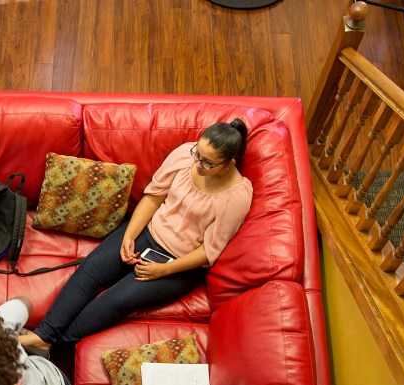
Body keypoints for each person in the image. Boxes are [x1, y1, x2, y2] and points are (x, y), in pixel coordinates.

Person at [17, 119, 252, 354]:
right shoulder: (184, 156)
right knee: (91, 269)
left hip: (179, 264)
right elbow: (153, 198)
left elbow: (208, 251)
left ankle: (53, 347)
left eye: (207, 162)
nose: (198, 164)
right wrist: (129, 236)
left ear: (229, 164)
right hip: (149, 233)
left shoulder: (236, 197)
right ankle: (43, 336)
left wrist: (164, 270)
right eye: (197, 154)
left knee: (116, 301)